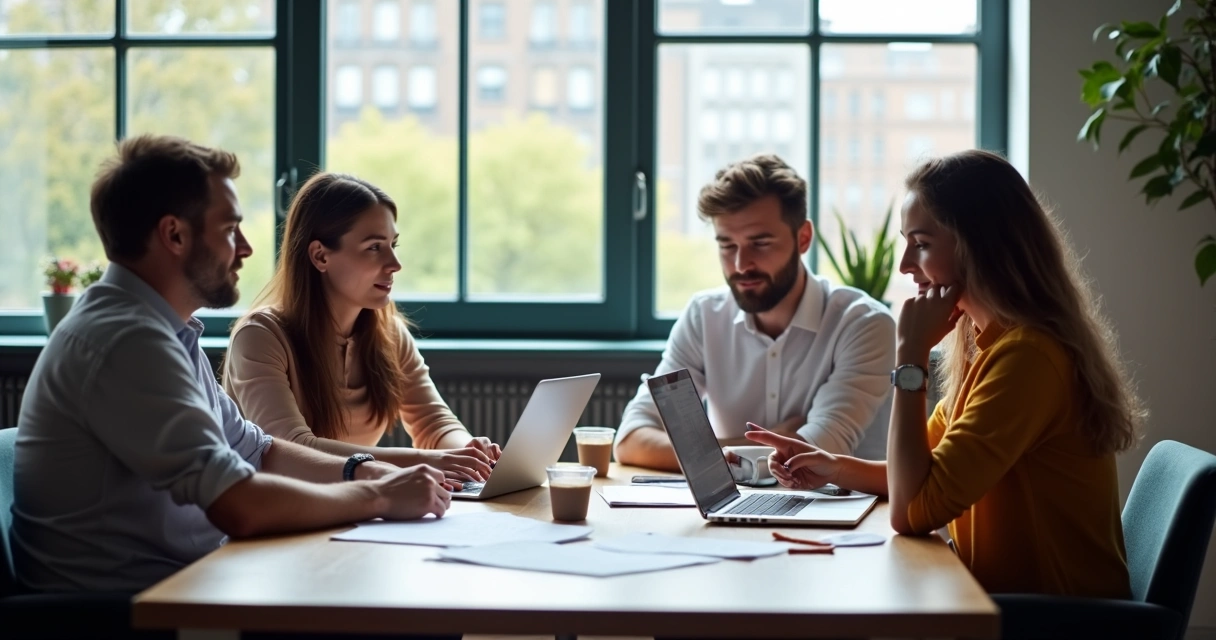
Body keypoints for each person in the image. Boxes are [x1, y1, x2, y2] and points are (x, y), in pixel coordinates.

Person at [12, 135, 451, 595]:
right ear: (174, 235)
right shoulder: (126, 340)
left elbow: (258, 450)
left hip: (193, 583)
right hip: (129, 613)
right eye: (229, 230)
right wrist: (378, 496)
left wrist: (367, 471)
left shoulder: (166, 332)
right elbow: (239, 504)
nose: (246, 249)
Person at [747, 149, 1141, 598]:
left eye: (922, 243)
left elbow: (913, 510)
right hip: (1002, 605)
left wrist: (910, 356)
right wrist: (831, 467)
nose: (904, 265)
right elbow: (921, 473)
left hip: (1053, 621)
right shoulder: (986, 343)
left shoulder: (1029, 358)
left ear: (980, 245)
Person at [615, 154, 896, 472]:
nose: (740, 265)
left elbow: (811, 458)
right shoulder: (704, 317)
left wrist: (704, 453)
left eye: (760, 243)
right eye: (727, 246)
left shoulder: (863, 324)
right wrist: (762, 443)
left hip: (849, 514)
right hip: (734, 513)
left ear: (803, 238)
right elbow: (631, 440)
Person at [222, 173, 501, 485]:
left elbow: (433, 423)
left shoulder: (390, 335)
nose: (394, 263)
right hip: (277, 522)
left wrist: (469, 451)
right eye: (374, 247)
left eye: (393, 245)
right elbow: (291, 450)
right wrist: (429, 461)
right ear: (320, 255)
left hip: (355, 511)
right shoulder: (260, 336)